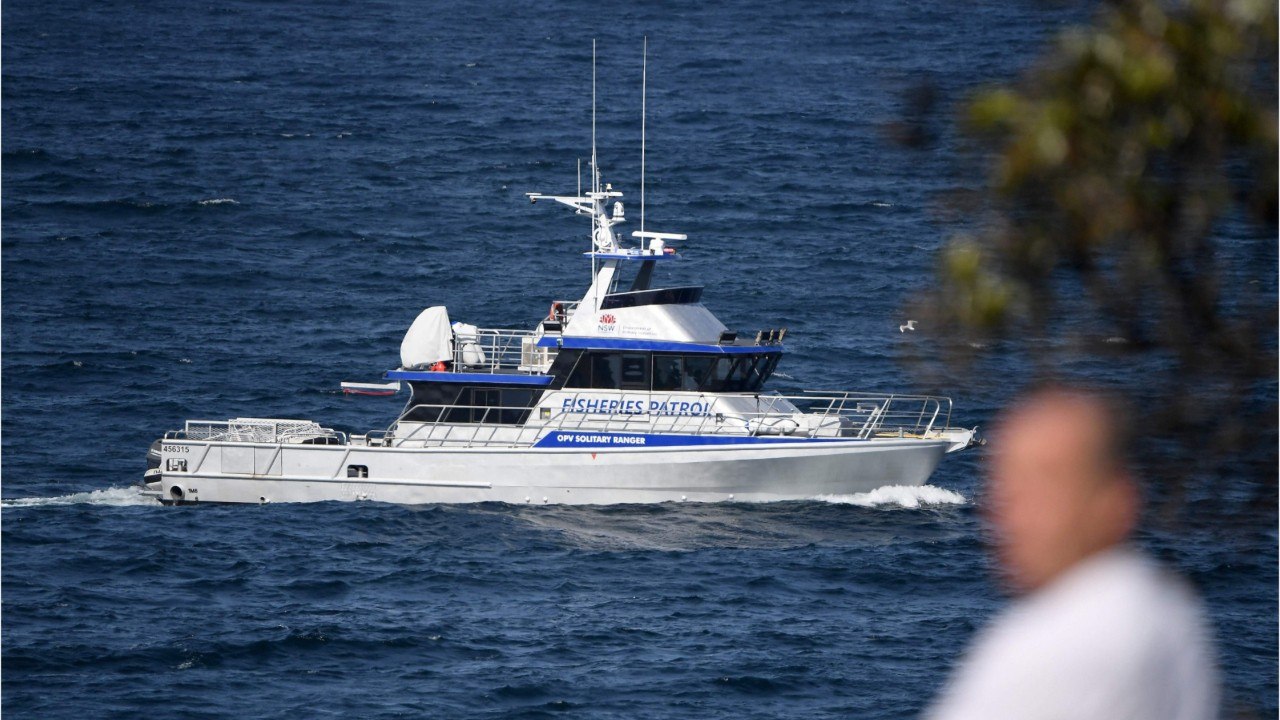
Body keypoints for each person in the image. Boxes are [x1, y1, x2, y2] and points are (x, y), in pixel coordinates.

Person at [926, 386, 1220, 720]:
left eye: (1041, 488)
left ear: (1117, 500)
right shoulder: (1172, 610)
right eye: (1004, 486)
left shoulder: (1053, 649)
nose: (1004, 512)